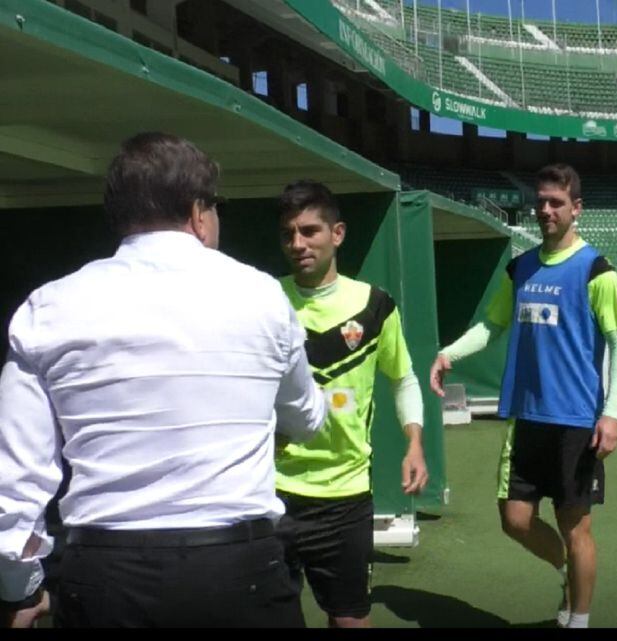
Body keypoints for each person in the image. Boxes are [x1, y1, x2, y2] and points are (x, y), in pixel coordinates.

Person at [0, 132, 327, 627]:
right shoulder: (264, 297)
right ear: (199, 213)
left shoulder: (47, 307)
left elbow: (18, 475)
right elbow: (307, 419)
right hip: (240, 570)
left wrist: (21, 588)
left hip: (105, 574)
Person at [429, 164, 617, 629]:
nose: (545, 210)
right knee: (515, 519)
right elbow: (491, 325)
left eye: (556, 202)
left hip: (578, 420)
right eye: (540, 201)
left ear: (576, 209)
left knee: (576, 525)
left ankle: (578, 618)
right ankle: (567, 573)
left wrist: (612, 414)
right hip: (527, 416)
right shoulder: (520, 267)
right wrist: (448, 354)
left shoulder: (596, 270)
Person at [274, 180, 429, 628]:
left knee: (350, 620)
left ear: (336, 234)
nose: (297, 244)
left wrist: (414, 443)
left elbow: (403, 379)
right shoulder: (265, 300)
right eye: (288, 234)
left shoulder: (374, 305)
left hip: (344, 494)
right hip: (271, 489)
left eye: (309, 231)